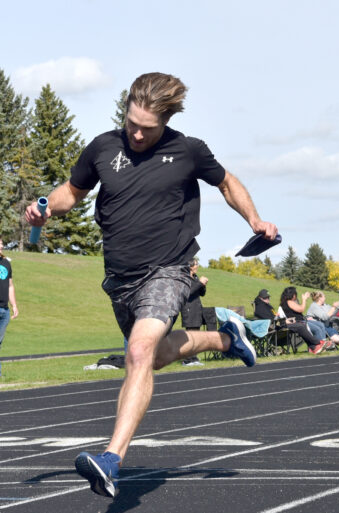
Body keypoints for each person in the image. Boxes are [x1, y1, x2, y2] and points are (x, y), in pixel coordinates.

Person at [26, 72, 277, 498]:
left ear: (167, 120)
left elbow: (227, 183)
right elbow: (72, 190)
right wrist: (44, 210)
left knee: (139, 352)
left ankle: (111, 459)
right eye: (132, 123)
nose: (137, 133)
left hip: (171, 267)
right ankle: (223, 338)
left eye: (148, 127)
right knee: (148, 356)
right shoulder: (104, 147)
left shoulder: (189, 150)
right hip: (120, 280)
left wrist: (254, 220)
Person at [279, 287, 333, 354]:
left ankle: (322, 345)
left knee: (320, 324)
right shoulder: (289, 302)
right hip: (298, 322)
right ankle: (318, 346)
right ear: (293, 295)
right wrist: (304, 299)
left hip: (301, 320)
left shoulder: (288, 302)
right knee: (316, 329)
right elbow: (301, 309)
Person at [179, 258, 208, 366]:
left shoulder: (195, 278)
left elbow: (201, 293)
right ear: (190, 266)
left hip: (197, 310)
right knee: (190, 336)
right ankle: (187, 360)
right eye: (196, 264)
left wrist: (203, 285)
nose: (198, 266)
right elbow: (189, 292)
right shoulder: (184, 278)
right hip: (188, 310)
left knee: (196, 336)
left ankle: (194, 358)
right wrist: (200, 283)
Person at [0, 238, 19, 378]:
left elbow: (10, 286)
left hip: (4, 310)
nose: (1, 246)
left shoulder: (6, 263)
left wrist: (14, 305)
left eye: (2, 244)